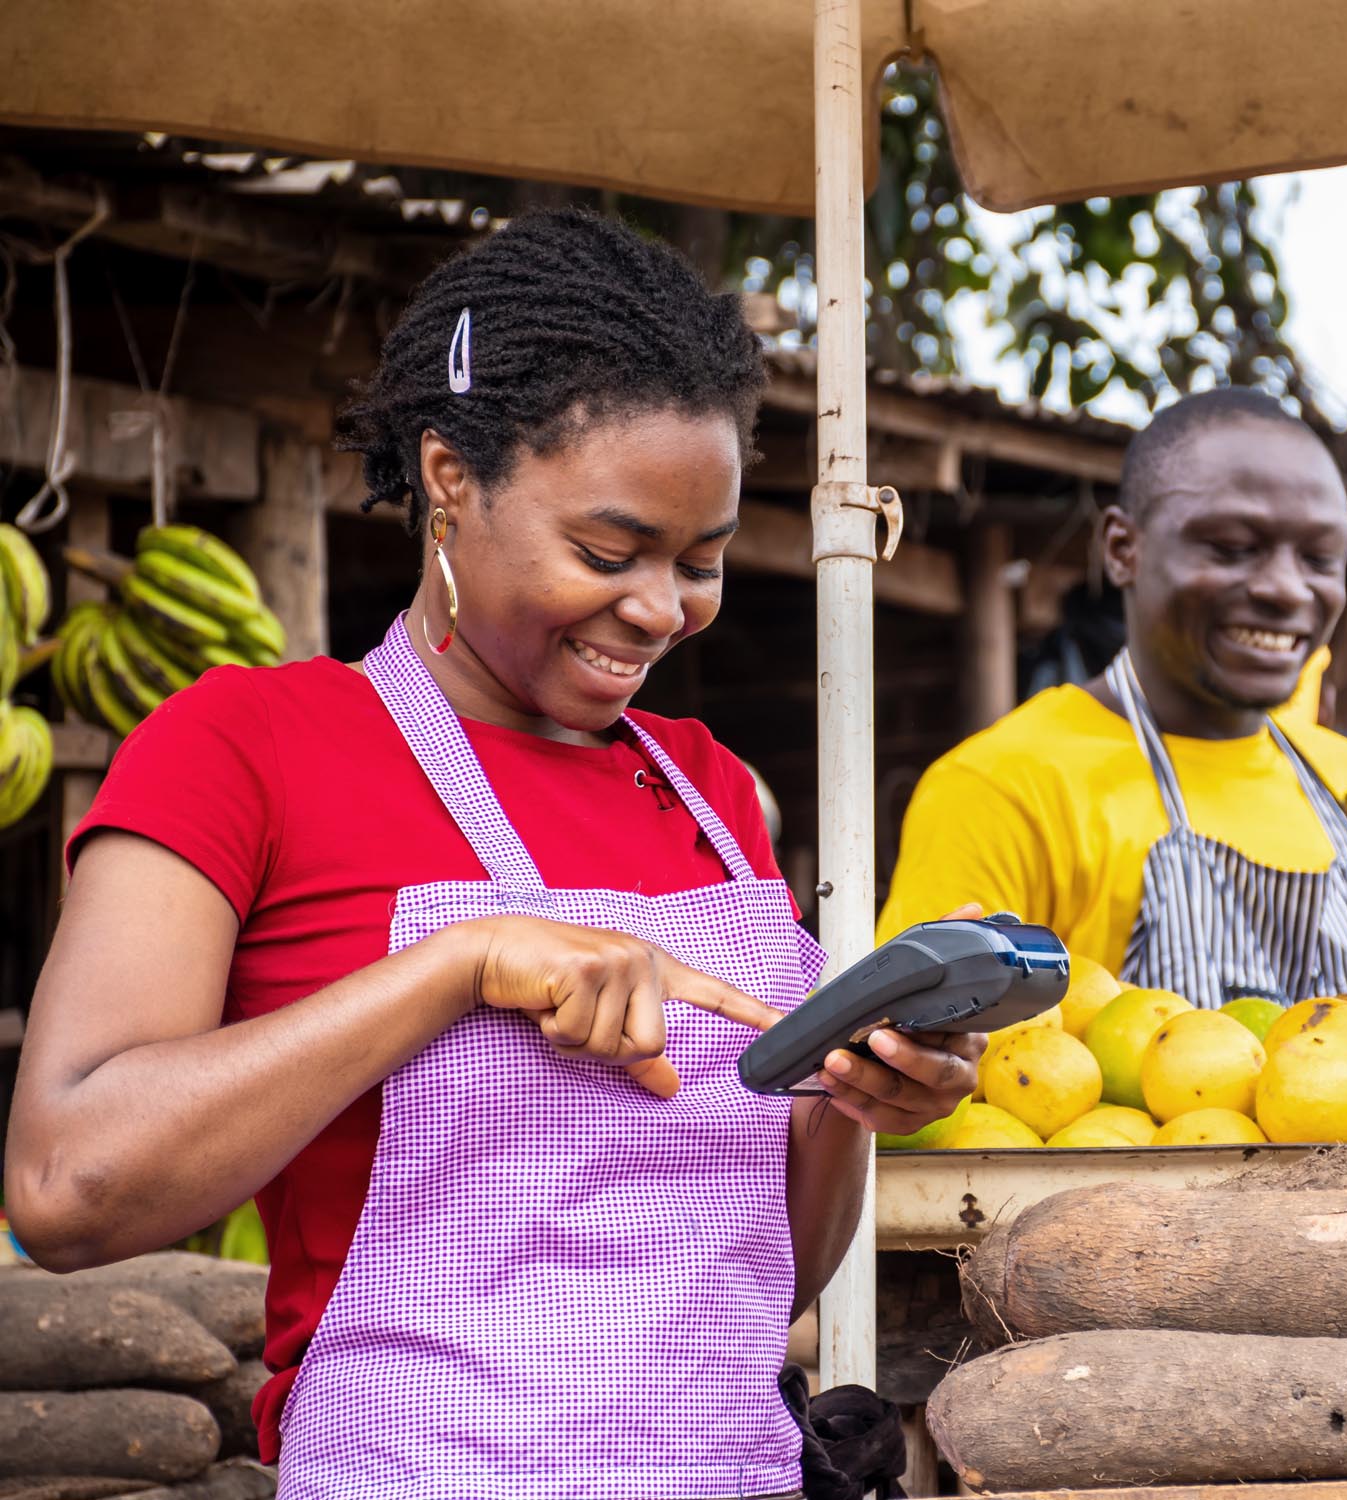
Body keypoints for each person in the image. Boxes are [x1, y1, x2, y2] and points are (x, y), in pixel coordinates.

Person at [3, 211, 974, 1497]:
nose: (659, 609)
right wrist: (459, 966)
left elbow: (770, 1275)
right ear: (450, 478)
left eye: (704, 560)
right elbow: (66, 1190)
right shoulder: (247, 747)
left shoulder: (712, 788)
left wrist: (858, 1101)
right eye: (607, 551)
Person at [878, 388, 1347, 1010]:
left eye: (1319, 558)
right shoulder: (1001, 788)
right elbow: (918, 1079)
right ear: (1123, 548)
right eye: (1232, 548)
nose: (1285, 590)